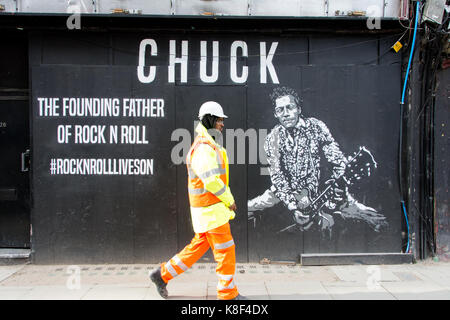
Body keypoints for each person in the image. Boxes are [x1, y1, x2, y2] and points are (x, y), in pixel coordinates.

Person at [248, 86, 387, 235]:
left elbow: (338, 160)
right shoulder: (272, 138)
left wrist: (338, 183)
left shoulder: (316, 127)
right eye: (280, 110)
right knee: (247, 209)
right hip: (286, 193)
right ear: (276, 114)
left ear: (299, 109)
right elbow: (277, 177)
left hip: (321, 189)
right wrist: (293, 206)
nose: (286, 114)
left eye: (290, 107)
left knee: (374, 220)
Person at [149, 101, 247, 300]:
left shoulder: (207, 144)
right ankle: (228, 295)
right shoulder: (203, 147)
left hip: (207, 211)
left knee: (196, 248)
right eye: (219, 120)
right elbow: (211, 181)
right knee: (226, 250)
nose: (222, 124)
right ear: (209, 119)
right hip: (211, 211)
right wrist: (229, 200)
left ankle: (161, 275)